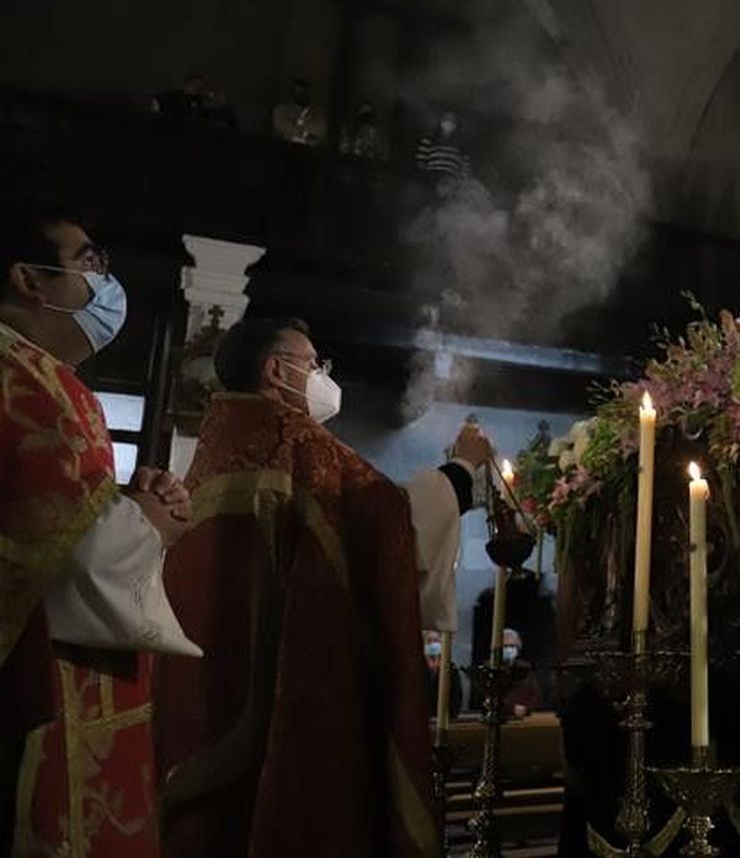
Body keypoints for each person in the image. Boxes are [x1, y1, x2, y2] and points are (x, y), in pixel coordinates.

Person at [153, 317, 497, 858]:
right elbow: (391, 525)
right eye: (313, 365)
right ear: (276, 370)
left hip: (206, 699)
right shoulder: (294, 444)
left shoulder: (217, 450)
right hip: (290, 697)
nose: (322, 377)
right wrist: (461, 468)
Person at [0, 206, 196, 857]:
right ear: (29, 279)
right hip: (27, 694)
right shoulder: (29, 385)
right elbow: (78, 566)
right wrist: (152, 525)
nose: (106, 282)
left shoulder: (35, 376)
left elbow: (46, 520)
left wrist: (130, 505)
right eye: (89, 262)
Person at [270, 78, 327, 148]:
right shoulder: (281, 110)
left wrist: (294, 124)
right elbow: (281, 127)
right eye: (299, 92)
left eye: (305, 93)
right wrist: (306, 132)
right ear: (292, 93)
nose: (302, 95)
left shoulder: (317, 113)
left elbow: (320, 130)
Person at [414, 110, 469, 179]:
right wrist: (426, 178)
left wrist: (459, 180)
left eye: (453, 121)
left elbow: (465, 167)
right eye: (446, 119)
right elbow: (420, 162)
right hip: (431, 178)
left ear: (456, 124)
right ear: (440, 121)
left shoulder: (461, 145)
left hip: (450, 180)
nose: (449, 123)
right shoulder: (428, 140)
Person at [424, 630, 465, 719]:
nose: (433, 644)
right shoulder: (417, 667)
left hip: (444, 718)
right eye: (429, 641)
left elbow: (456, 699)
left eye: (436, 641)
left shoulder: (451, 668)